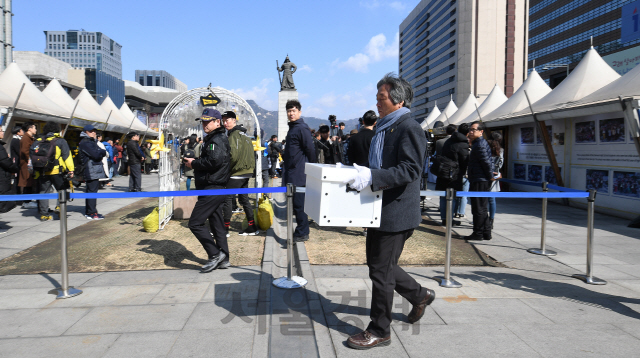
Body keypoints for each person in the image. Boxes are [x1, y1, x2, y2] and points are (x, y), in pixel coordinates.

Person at [344, 73, 435, 350]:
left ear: (399, 100)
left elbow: (410, 170)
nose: (378, 103)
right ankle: (419, 295)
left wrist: (372, 176)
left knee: (381, 272)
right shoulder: (384, 129)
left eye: (381, 98)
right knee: (381, 266)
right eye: (377, 98)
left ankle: (380, 329)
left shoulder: (409, 128)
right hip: (377, 209)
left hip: (395, 213)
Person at [185, 108, 231, 272]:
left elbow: (214, 162)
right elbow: (213, 160)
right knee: (217, 224)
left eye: (208, 121)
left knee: (195, 223)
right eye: (203, 121)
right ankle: (224, 257)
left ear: (217, 122)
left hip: (212, 187)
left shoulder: (216, 139)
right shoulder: (215, 138)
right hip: (214, 186)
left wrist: (194, 163)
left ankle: (214, 254)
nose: (204, 124)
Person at [282, 99, 316, 243]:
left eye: (293, 111)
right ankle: (301, 230)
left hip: (299, 173)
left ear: (299, 112)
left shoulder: (301, 128)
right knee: (295, 204)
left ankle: (302, 232)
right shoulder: (293, 128)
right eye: (289, 111)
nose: (291, 113)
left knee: (299, 204)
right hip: (291, 171)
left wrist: (313, 169)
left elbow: (310, 149)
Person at [221, 110, 258, 236]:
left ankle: (225, 229)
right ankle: (252, 227)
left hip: (237, 171)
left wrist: (225, 170)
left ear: (234, 121)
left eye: (227, 120)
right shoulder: (245, 136)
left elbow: (232, 156)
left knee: (227, 198)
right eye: (224, 121)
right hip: (247, 171)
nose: (225, 123)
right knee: (244, 199)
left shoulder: (233, 136)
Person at [34, 122, 75, 221]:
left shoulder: (38, 141)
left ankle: (44, 214)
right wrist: (71, 169)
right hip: (57, 171)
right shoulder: (60, 141)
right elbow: (67, 156)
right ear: (57, 130)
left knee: (43, 192)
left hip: (43, 171)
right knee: (62, 190)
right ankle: (60, 208)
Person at [465, 121, 494, 241]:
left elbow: (486, 162)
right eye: (470, 129)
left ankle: (478, 233)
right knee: (482, 208)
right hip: (479, 178)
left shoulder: (480, 144)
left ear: (481, 131)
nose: (471, 132)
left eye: (473, 130)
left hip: (480, 179)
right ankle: (486, 233)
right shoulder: (478, 143)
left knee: (478, 208)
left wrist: (490, 176)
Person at [435, 124, 470, 226]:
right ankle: (450, 219)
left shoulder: (448, 141)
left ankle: (444, 218)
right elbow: (464, 161)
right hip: (454, 174)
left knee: (443, 196)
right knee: (453, 196)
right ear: (467, 133)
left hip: (443, 171)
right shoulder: (463, 144)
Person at [78, 125, 107, 220]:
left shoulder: (91, 141)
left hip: (93, 169)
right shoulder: (86, 142)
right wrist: (101, 151)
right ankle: (91, 212)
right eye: (91, 131)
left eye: (94, 131)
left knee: (91, 190)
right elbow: (96, 154)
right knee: (92, 191)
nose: (93, 133)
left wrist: (100, 151)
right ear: (86, 132)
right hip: (90, 170)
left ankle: (90, 211)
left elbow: (100, 152)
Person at [0, 127, 19, 214]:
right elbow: (5, 161)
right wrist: (15, 169)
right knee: (3, 201)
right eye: (1, 130)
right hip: (2, 177)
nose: (3, 132)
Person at [487, 132, 504, 229]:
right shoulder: (500, 150)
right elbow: (501, 163)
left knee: (482, 199)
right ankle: (491, 220)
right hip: (495, 175)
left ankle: (483, 219)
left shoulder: (485, 148)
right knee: (492, 200)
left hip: (485, 175)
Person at [19, 122, 37, 208]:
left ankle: (28, 201)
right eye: (34, 128)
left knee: (29, 183)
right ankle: (27, 202)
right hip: (27, 164)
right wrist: (31, 159)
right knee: (27, 183)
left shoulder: (30, 138)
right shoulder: (26, 138)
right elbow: (25, 151)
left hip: (28, 163)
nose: (35, 130)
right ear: (29, 128)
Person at [454, 124, 471, 218]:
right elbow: (465, 160)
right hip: (465, 173)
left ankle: (455, 211)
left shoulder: (451, 141)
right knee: (464, 194)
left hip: (454, 172)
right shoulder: (466, 144)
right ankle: (461, 212)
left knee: (455, 194)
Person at [10, 126, 23, 196]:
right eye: (21, 130)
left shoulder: (17, 140)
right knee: (16, 179)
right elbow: (19, 152)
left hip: (17, 162)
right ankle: (16, 196)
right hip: (16, 163)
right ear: (18, 132)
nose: (23, 131)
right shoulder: (15, 140)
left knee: (17, 179)